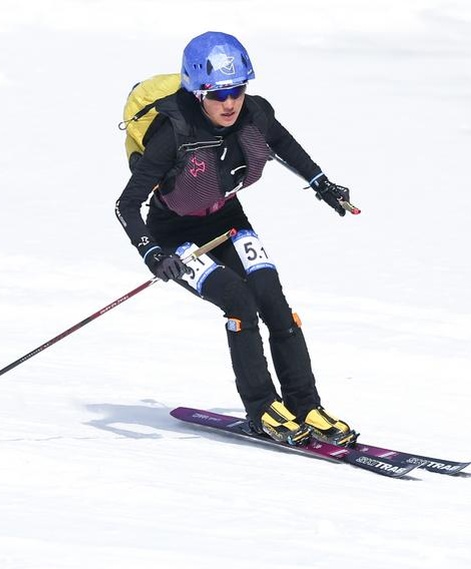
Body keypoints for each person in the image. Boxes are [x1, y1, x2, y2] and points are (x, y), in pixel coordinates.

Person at [115, 31, 357, 446]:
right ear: (196, 91)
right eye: (217, 94)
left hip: (228, 221)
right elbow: (126, 205)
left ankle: (305, 405)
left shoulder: (254, 114)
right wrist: (152, 251)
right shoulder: (171, 134)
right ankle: (262, 407)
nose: (229, 103)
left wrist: (323, 184)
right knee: (238, 301)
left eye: (237, 91)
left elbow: (285, 145)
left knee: (273, 300)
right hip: (175, 235)